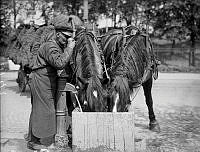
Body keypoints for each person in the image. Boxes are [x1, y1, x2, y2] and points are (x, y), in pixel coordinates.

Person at [26, 25, 76, 150]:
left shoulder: (56, 46)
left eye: (70, 38)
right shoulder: (50, 46)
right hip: (41, 79)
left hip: (46, 79)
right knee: (44, 110)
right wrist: (70, 48)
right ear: (58, 34)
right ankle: (34, 142)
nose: (67, 40)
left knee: (39, 110)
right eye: (66, 37)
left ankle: (33, 139)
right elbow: (59, 63)